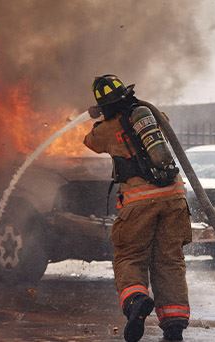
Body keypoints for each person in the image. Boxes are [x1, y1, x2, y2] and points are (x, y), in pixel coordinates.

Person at [83, 74, 191, 341]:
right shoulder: (147, 115)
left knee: (130, 255)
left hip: (138, 204)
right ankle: (174, 326)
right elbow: (164, 120)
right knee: (169, 261)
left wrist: (98, 117)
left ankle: (136, 302)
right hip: (174, 198)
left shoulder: (106, 129)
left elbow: (90, 141)